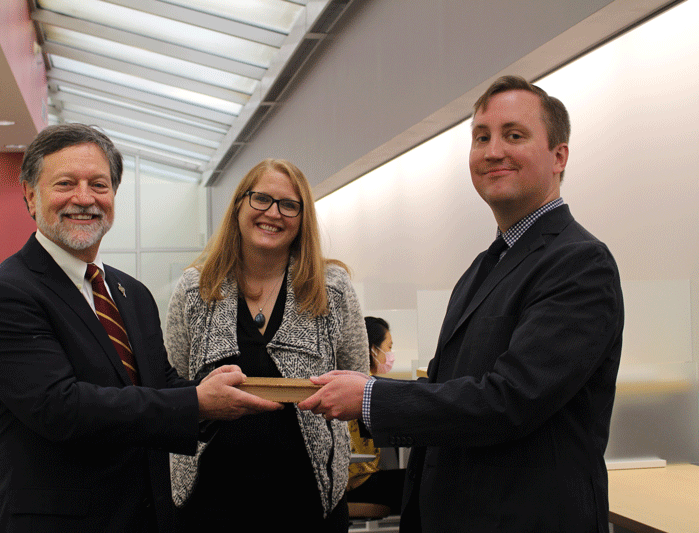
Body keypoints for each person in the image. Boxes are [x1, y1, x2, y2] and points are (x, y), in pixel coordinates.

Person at [299, 75, 624, 532]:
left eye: (514, 135)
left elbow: (509, 400)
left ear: (559, 156)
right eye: (481, 137)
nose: (493, 151)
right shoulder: (483, 267)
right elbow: (447, 385)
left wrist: (372, 396)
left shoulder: (579, 262)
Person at [0, 123, 281, 533]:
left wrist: (218, 393)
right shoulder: (5, 295)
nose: (84, 198)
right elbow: (61, 409)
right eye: (65, 183)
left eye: (99, 184)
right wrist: (197, 403)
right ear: (29, 195)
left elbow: (157, 383)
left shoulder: (131, 292)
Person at [166, 158, 369, 531]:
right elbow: (173, 386)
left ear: (302, 217)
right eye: (261, 199)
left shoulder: (332, 288)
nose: (273, 213)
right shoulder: (195, 289)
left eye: (289, 205)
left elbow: (358, 381)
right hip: (209, 501)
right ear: (240, 204)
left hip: (307, 501)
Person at [347, 316, 405, 515]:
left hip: (357, 478)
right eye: (388, 347)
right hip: (358, 482)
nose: (390, 354)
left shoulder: (350, 380)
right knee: (422, 481)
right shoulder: (368, 388)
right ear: (373, 350)